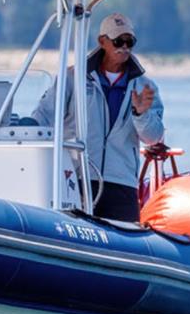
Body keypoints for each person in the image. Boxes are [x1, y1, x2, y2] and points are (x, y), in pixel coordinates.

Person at [33, 13, 164, 221]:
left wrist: (141, 114)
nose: (124, 47)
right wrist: (24, 130)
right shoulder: (72, 77)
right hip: (77, 178)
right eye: (118, 41)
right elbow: (44, 116)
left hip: (122, 183)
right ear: (102, 41)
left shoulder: (145, 87)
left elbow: (154, 137)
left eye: (129, 42)